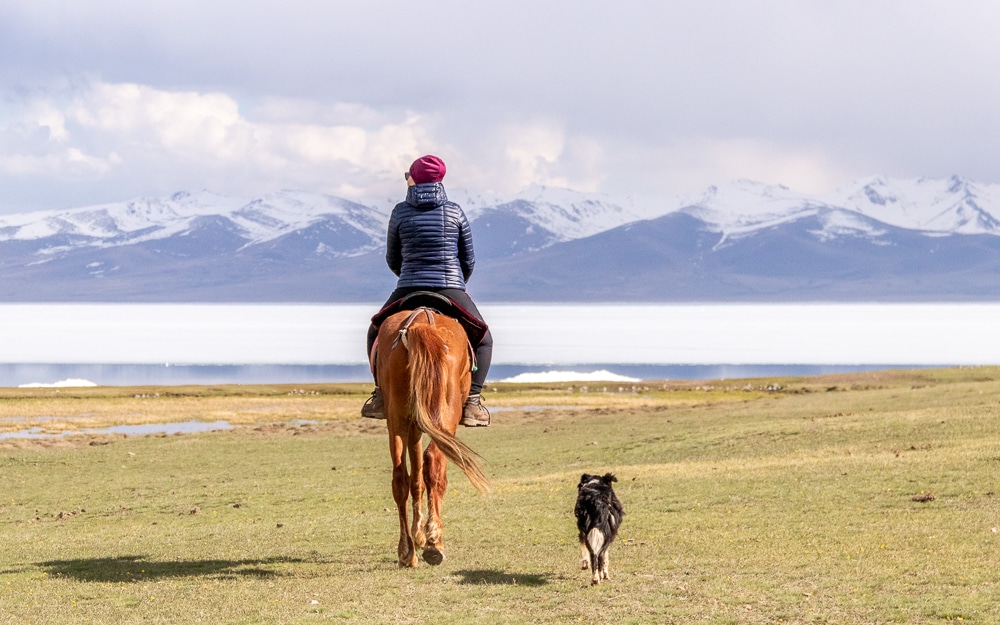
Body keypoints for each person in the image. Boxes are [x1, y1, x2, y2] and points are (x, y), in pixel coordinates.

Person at [361, 155, 493, 427]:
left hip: (408, 285)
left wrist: (409, 277)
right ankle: (473, 402)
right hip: (450, 287)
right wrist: (457, 284)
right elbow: (468, 259)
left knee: (376, 330)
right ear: (440, 179)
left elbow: (392, 257)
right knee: (484, 338)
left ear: (413, 178)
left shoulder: (399, 211)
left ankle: (380, 396)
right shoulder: (455, 211)